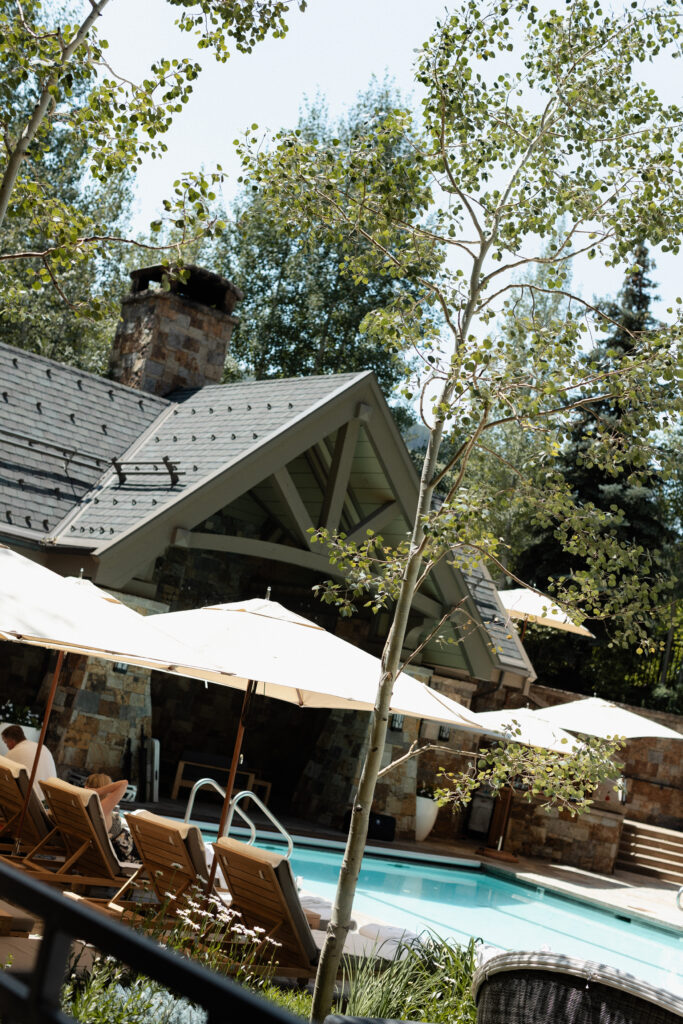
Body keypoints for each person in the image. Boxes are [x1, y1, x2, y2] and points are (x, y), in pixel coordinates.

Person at [84, 773, 138, 862]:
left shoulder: (85, 806)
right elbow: (124, 783)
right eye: (110, 787)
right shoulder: (101, 809)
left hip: (126, 849)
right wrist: (97, 791)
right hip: (129, 856)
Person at [2, 725, 56, 802]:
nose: (7, 746)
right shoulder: (42, 747)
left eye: (6, 742)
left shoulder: (14, 752)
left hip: (33, 802)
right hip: (51, 799)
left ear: (11, 741)